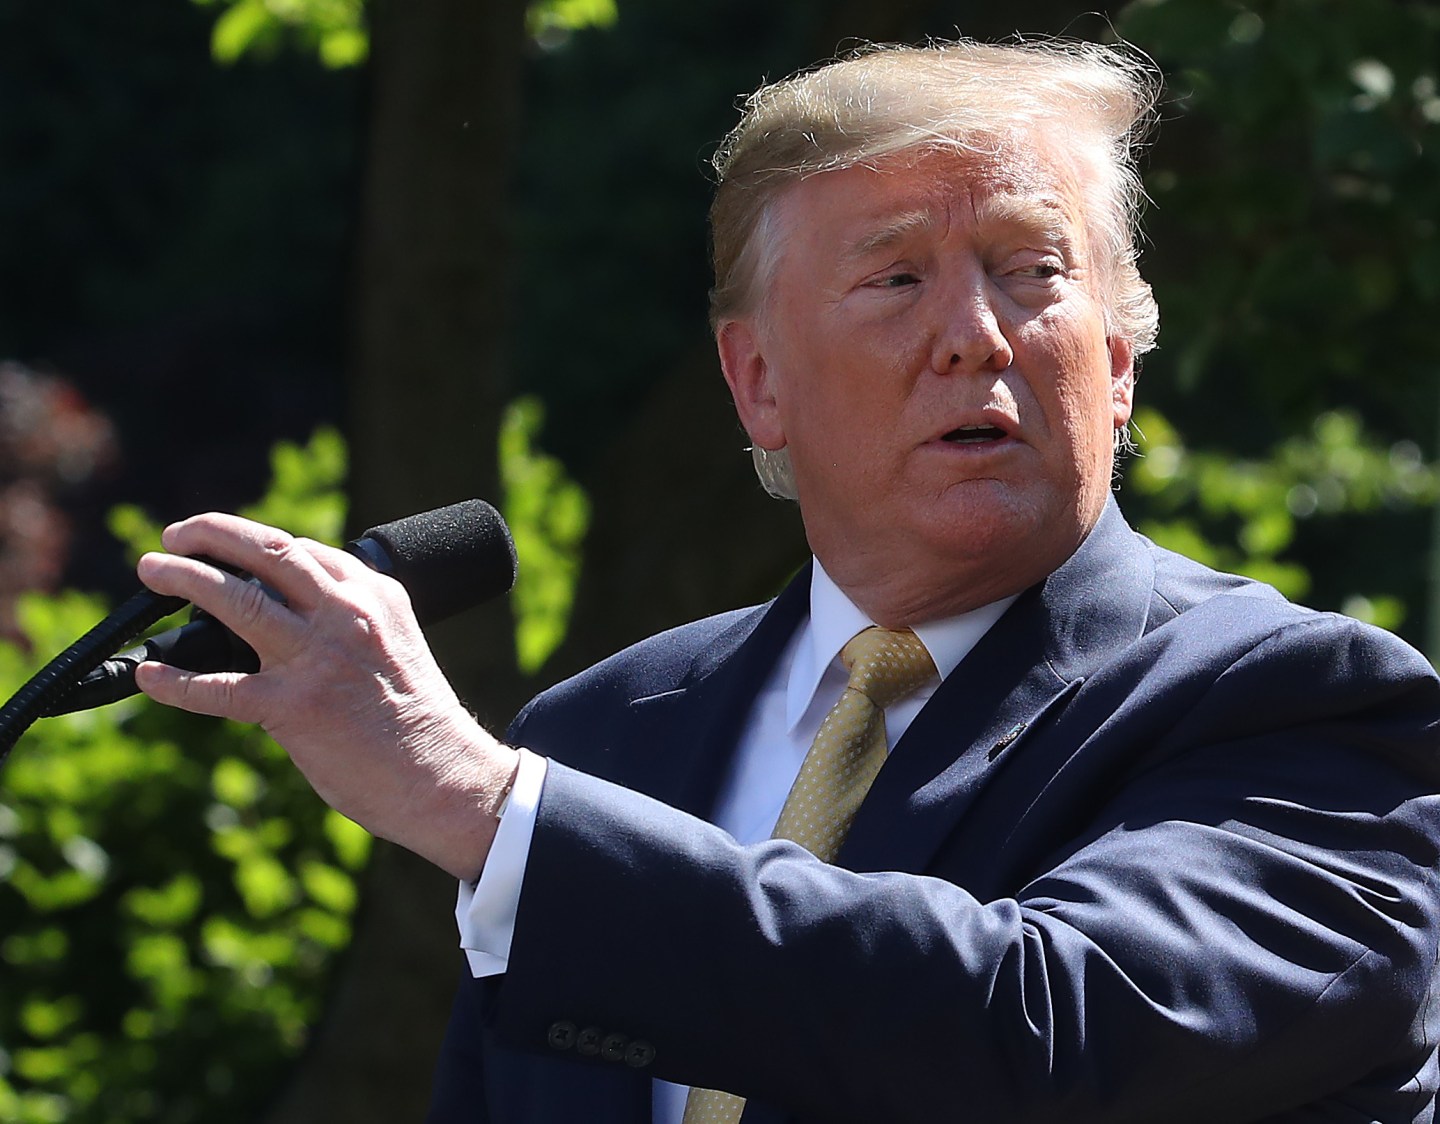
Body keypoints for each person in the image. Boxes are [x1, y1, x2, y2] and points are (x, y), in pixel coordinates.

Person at [134, 39, 1440, 1124]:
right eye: (896, 278)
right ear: (757, 380)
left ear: (1117, 358)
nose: (974, 336)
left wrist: (482, 803)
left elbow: (1047, 1026)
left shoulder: (1299, 705)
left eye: (1032, 270)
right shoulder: (601, 736)